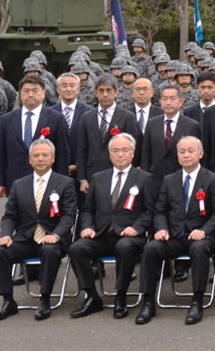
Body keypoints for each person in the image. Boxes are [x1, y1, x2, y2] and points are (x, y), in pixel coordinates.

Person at [135, 136, 215, 325]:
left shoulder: (213, 179)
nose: (186, 155)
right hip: (174, 236)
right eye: (182, 152)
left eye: (191, 151)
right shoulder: (170, 180)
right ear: (177, 155)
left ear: (201, 154)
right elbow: (160, 211)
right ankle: (148, 302)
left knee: (199, 249)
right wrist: (161, 228)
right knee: (150, 249)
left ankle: (197, 301)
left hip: (201, 236)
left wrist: (204, 231)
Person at [68, 133, 155, 319]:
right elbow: (87, 209)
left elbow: (150, 211)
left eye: (124, 150)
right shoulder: (98, 177)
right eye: (115, 151)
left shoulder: (144, 178)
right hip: (101, 234)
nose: (120, 154)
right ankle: (92, 296)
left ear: (132, 153)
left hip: (129, 236)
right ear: (109, 155)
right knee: (76, 248)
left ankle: (120, 296)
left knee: (124, 247)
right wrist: (87, 226)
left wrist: (137, 228)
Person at [0, 139, 76, 321]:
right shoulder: (19, 184)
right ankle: (8, 301)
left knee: (49, 251)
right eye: (36, 155)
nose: (40, 159)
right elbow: (9, 216)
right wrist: (5, 235)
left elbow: (69, 216)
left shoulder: (65, 183)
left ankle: (45, 299)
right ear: (30, 160)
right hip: (26, 238)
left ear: (53, 158)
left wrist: (56, 235)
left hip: (53, 239)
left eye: (45, 155)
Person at [0, 77, 72, 200]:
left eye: (35, 91)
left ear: (43, 93)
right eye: (26, 91)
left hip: (47, 181)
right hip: (15, 180)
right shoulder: (7, 119)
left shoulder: (56, 118)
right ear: (20, 94)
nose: (30, 95)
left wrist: (62, 183)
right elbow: (0, 153)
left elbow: (63, 154)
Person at [75, 76, 139, 195]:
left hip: (119, 175)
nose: (105, 94)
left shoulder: (127, 117)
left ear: (116, 92)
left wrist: (131, 177)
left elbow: (133, 150)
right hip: (92, 176)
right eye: (101, 90)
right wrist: (82, 179)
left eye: (109, 90)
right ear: (95, 93)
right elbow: (81, 150)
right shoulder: (87, 117)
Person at [143, 85, 201, 176]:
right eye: (165, 99)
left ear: (181, 102)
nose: (168, 102)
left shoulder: (192, 126)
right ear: (160, 102)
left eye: (172, 99)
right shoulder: (152, 123)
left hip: (180, 177)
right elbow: (146, 154)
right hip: (155, 178)